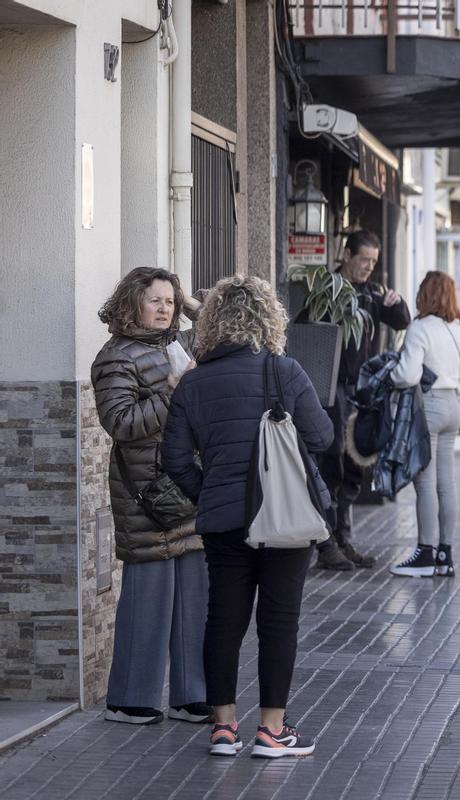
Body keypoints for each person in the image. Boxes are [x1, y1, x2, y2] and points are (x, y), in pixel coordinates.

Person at [162, 275, 334, 759]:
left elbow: (174, 460)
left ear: (212, 322)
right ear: (268, 318)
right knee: (279, 621)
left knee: (224, 620)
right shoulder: (285, 371)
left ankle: (222, 729)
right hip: (284, 517)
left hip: (223, 522)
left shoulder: (193, 382)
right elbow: (321, 438)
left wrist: (211, 492)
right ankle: (271, 732)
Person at [92, 267, 209, 726]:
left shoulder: (174, 346)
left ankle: (190, 696)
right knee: (149, 598)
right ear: (131, 303)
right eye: (155, 300)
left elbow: (214, 336)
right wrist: (173, 394)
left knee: (193, 598)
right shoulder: (115, 357)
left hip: (185, 485)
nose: (165, 309)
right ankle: (128, 698)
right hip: (147, 494)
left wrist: (198, 310)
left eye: (170, 301)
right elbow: (120, 423)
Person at [314, 229, 412, 571]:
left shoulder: (372, 294)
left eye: (374, 261)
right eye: (364, 259)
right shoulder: (327, 291)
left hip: (363, 392)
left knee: (356, 467)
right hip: (332, 390)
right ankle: (327, 542)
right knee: (331, 463)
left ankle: (343, 538)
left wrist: (396, 301)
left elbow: (402, 321)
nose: (369, 267)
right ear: (347, 254)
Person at [388, 271, 460, 578]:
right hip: (454, 408)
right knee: (445, 483)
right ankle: (444, 555)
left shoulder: (420, 328)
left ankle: (424, 554)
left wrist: (391, 375)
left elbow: (407, 375)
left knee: (424, 482)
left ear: (426, 295)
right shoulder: (459, 331)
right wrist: (457, 400)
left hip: (430, 406)